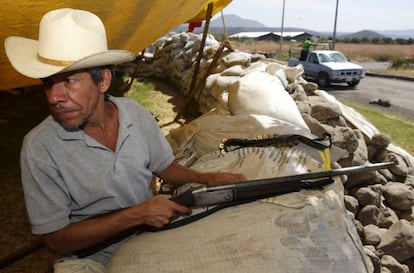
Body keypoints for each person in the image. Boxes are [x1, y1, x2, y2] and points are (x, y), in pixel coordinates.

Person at [4, 8, 245, 273]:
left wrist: (207, 179)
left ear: (103, 80)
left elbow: (164, 168)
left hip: (148, 237)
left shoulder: (135, 114)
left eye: (69, 81)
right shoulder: (40, 147)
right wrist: (138, 213)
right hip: (89, 257)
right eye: (49, 83)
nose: (53, 97)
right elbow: (57, 240)